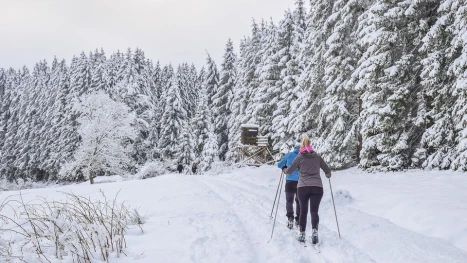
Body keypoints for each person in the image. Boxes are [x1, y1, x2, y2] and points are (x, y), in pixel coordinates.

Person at [284, 135, 331, 245]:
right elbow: (327, 169)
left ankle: (302, 233)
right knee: (314, 211)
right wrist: (328, 174)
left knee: (303, 211)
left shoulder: (299, 157)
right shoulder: (317, 157)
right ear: (310, 145)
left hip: (303, 187)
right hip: (317, 187)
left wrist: (285, 170)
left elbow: (290, 170)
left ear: (301, 146)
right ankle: (314, 231)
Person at [277, 140, 301, 229]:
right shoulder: (304, 156)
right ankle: (298, 219)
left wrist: (284, 167)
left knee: (289, 201)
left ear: (295, 147)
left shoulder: (290, 154)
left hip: (290, 181)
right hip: (301, 182)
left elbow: (279, 165)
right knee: (299, 201)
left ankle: (290, 218)